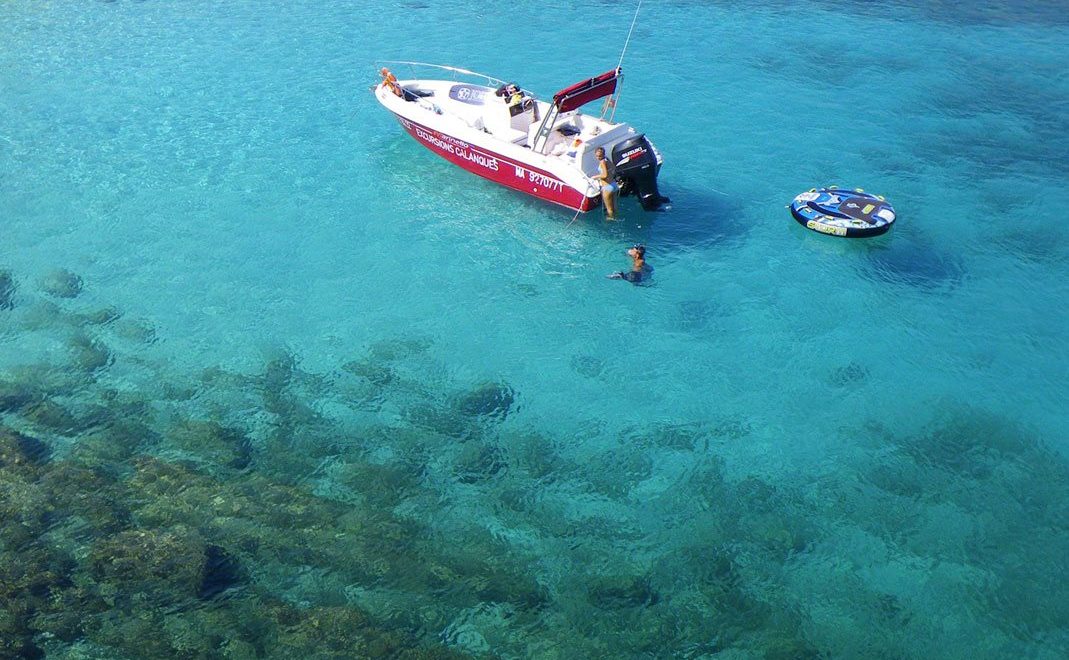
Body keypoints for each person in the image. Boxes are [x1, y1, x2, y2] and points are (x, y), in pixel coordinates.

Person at [594, 147, 619, 220]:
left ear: (603, 154)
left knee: (609, 209)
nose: (598, 158)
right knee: (615, 207)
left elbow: (604, 175)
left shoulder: (602, 162)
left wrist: (595, 177)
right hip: (614, 185)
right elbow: (614, 168)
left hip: (607, 187)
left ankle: (611, 219)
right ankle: (616, 217)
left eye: (600, 156)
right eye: (597, 156)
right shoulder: (607, 159)